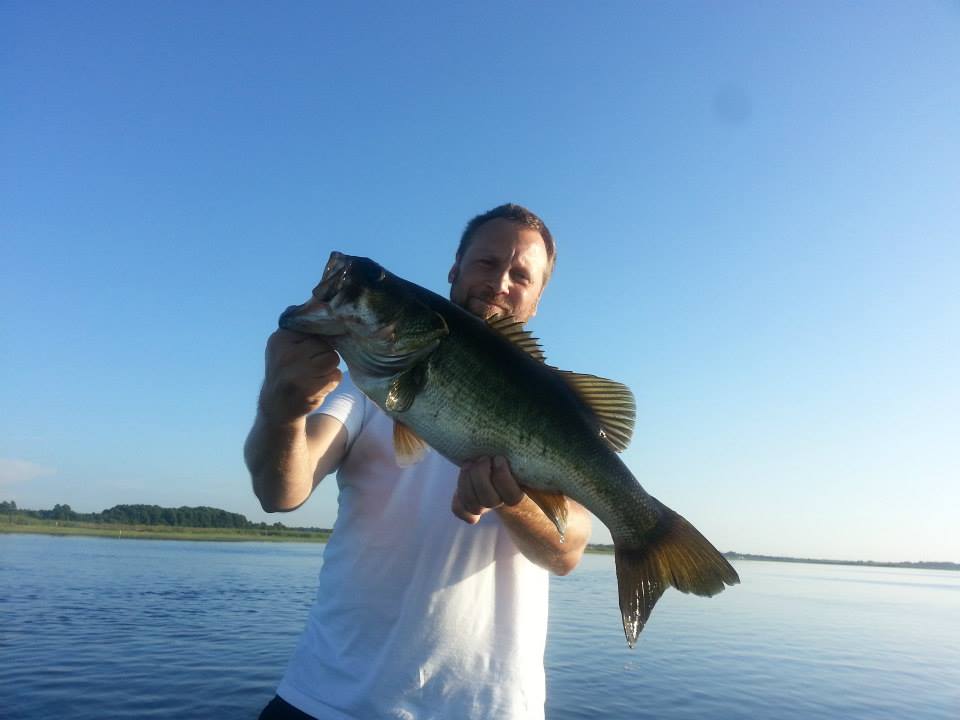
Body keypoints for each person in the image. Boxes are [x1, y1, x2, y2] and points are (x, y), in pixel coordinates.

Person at [245, 203, 591, 720]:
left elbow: (568, 551)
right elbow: (282, 492)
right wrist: (281, 410)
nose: (500, 282)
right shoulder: (366, 388)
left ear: (537, 299)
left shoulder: (553, 408)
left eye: (521, 274)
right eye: (486, 263)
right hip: (330, 700)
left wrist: (512, 502)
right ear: (454, 272)